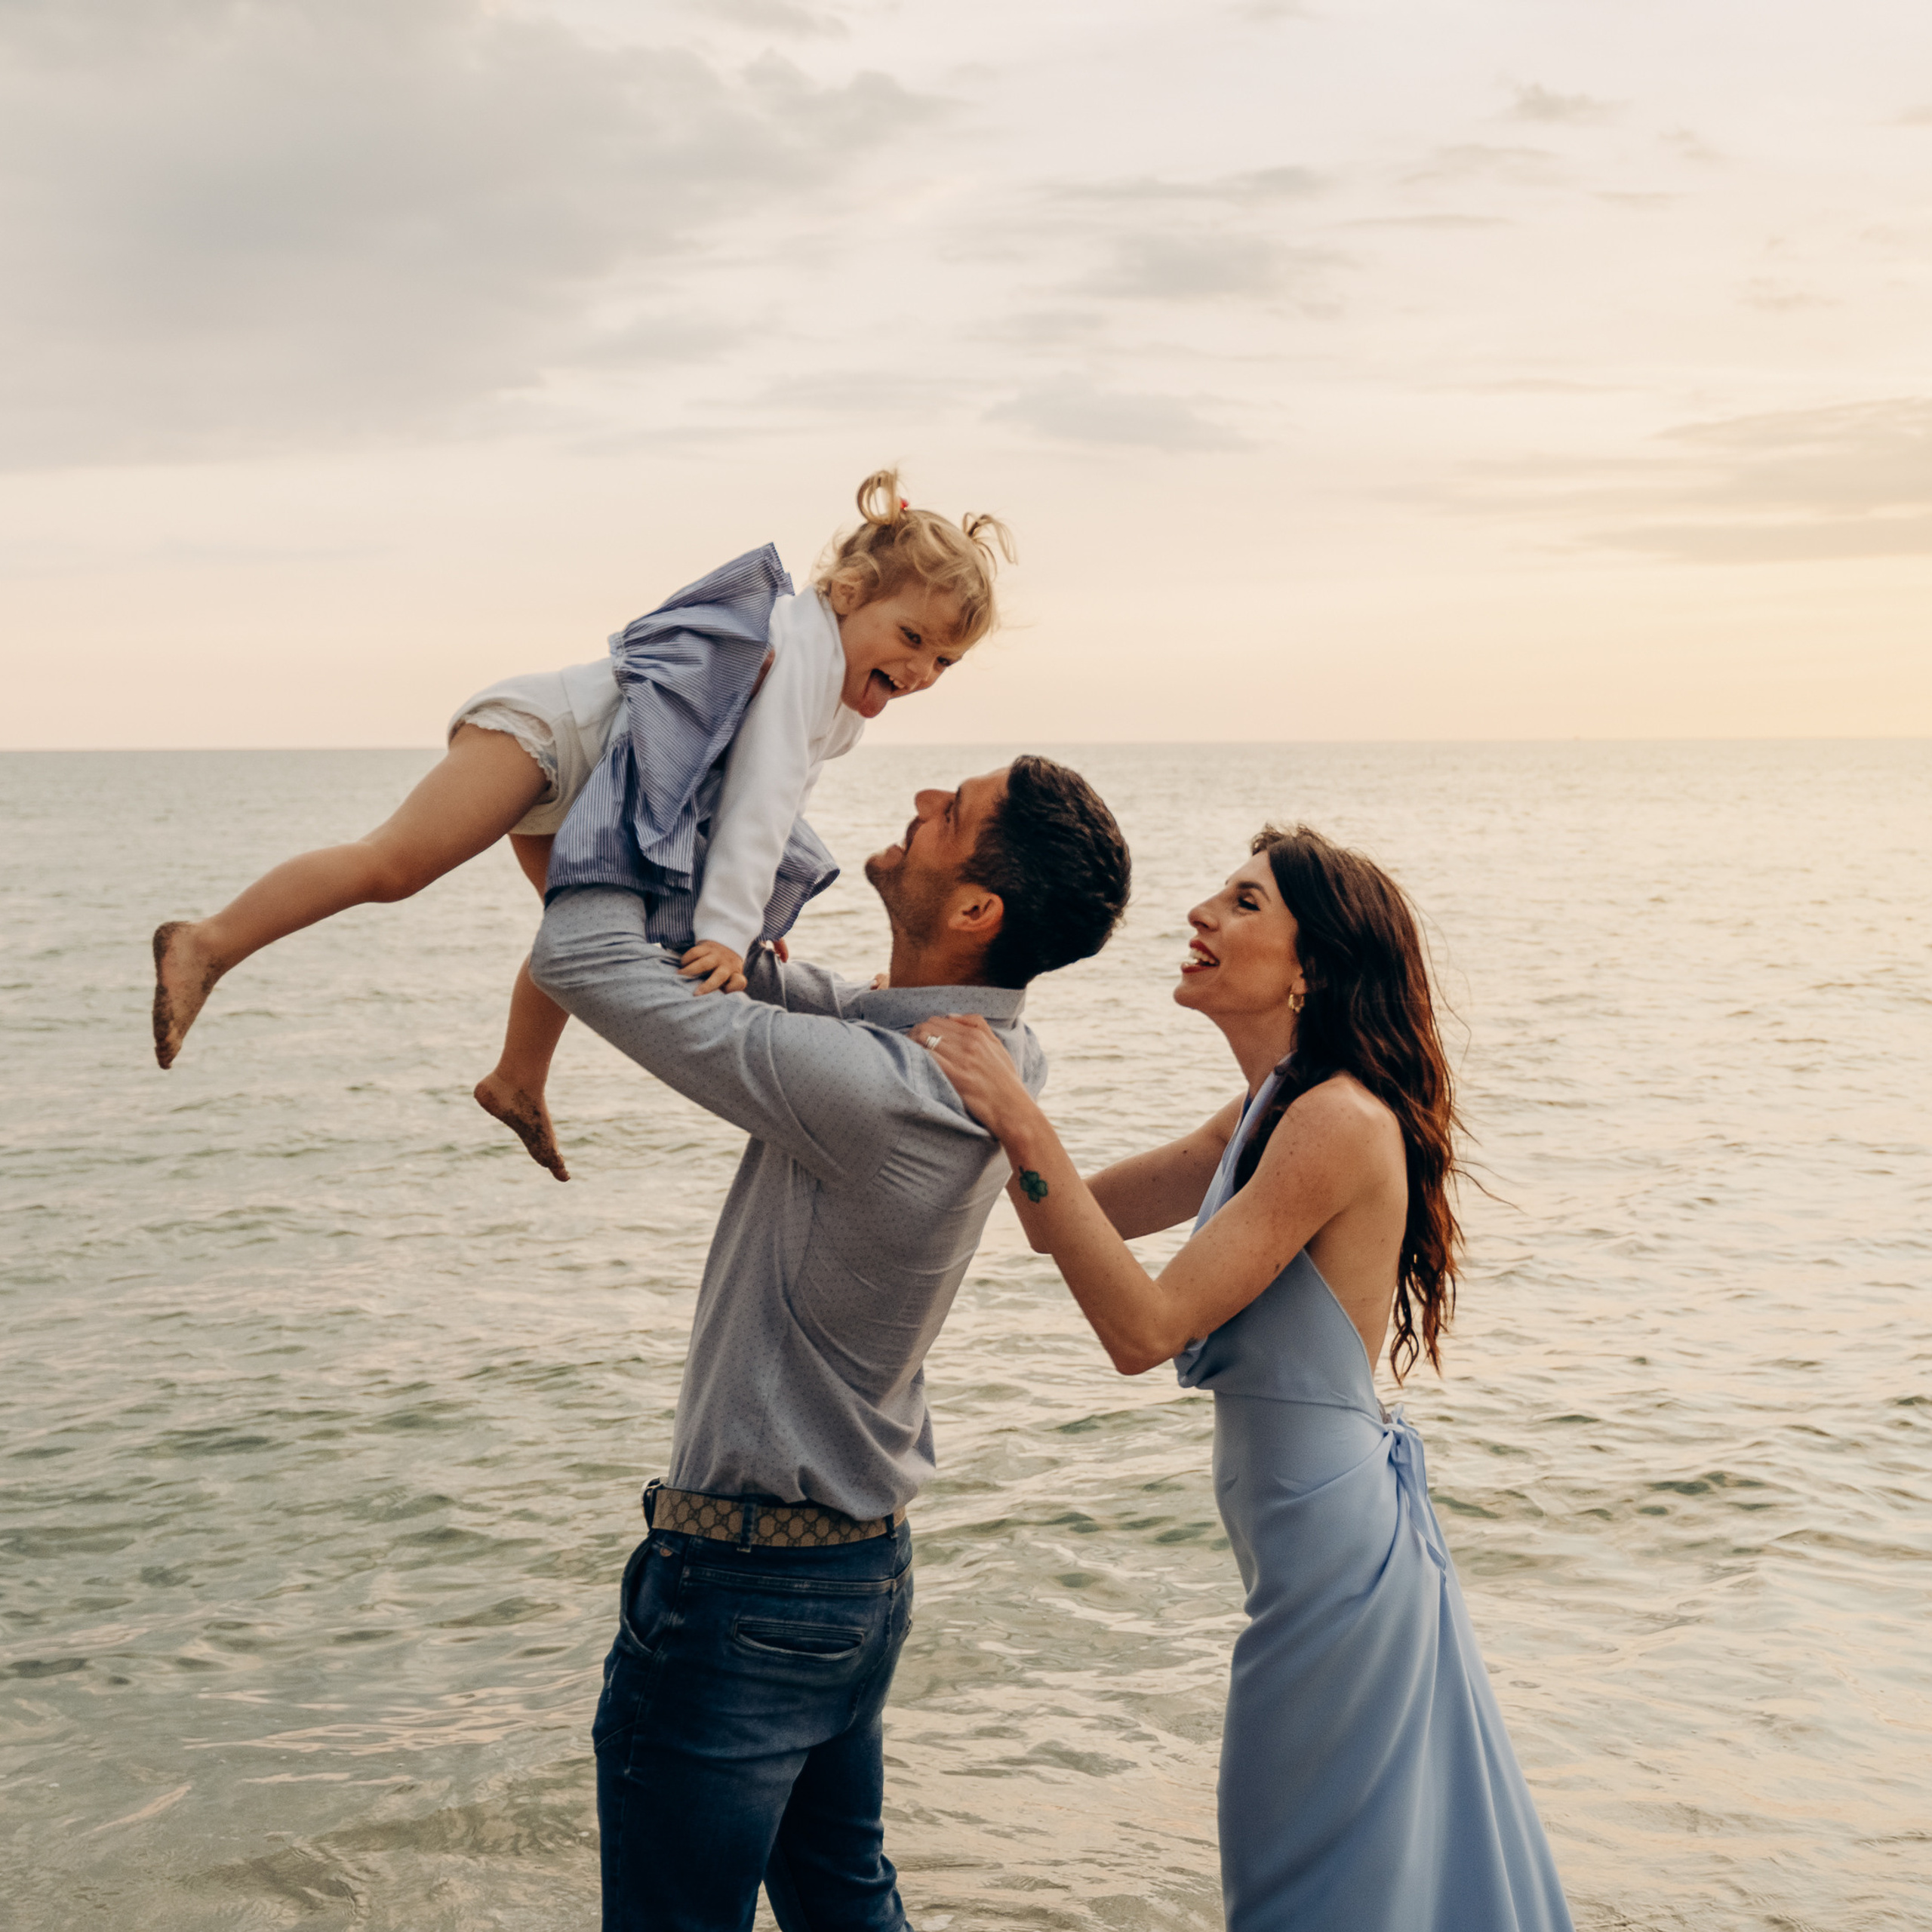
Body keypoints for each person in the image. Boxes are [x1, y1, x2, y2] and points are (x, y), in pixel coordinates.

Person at [918, 825, 1574, 1932]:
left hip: (1337, 1574)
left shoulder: (1335, 1121)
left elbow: (1144, 1329)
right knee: (1319, 1882)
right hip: (1311, 1556)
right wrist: (943, 1079)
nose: (1202, 915)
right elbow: (1068, 1219)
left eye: (1245, 902)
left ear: (1311, 965)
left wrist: (1022, 1118)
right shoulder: (1270, 1108)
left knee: (1297, 1887)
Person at [529, 755, 1131, 1932]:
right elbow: (762, 983)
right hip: (851, 1579)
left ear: (978, 910)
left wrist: (623, 754)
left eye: (953, 813)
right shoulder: (998, 1055)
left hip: (743, 1594)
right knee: (847, 1911)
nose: (922, 800)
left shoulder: (881, 1089)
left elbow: (579, 958)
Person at [149, 469, 1011, 1181]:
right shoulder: (804, 651)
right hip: (551, 737)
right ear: (848, 595)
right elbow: (761, 796)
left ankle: (516, 1079)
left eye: (944, 660)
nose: (922, 670)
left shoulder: (837, 701)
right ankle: (207, 942)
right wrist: (725, 927)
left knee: (581, 933)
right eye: (910, 638)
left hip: (594, 784)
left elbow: (763, 804)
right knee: (394, 866)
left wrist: (744, 926)